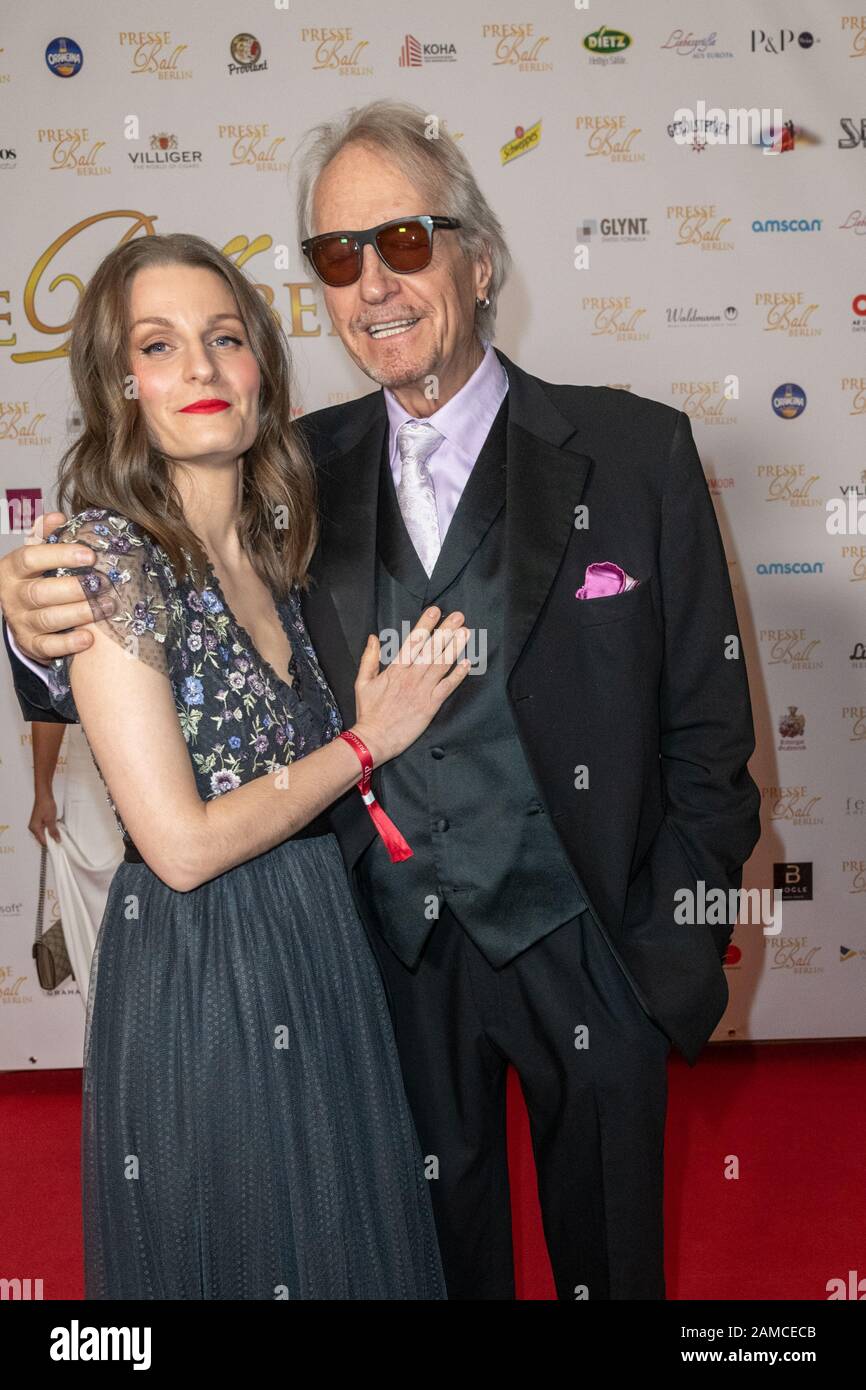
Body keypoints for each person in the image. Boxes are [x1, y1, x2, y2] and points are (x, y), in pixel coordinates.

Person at [1, 98, 763, 1301]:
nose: (373, 285)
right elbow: (162, 587)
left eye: (403, 241)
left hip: (587, 948)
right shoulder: (292, 464)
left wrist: (661, 958)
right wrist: (29, 620)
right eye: (336, 258)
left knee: (610, 1273)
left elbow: (710, 733)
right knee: (417, 1270)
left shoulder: (633, 452)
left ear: (477, 257)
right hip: (378, 967)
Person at [2, 229, 472, 1299]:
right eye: (159, 346)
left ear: (262, 364)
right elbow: (175, 844)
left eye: (224, 338)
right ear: (120, 387)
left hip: (315, 942)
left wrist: (336, 731)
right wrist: (366, 740)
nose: (202, 368)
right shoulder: (110, 558)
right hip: (202, 969)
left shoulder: (272, 546)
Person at [29, 721, 123, 1008]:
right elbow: (47, 697)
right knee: (101, 933)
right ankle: (112, 1044)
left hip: (173, 763)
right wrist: (43, 789)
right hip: (92, 774)